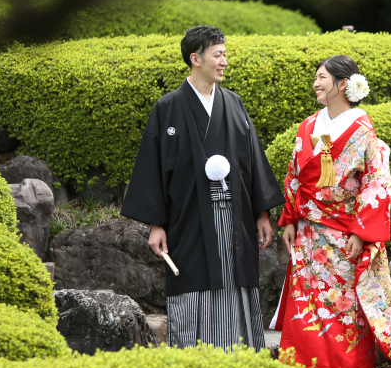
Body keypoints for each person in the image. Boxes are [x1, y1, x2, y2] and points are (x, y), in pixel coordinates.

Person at [121, 25, 284, 351]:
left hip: (235, 217)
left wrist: (263, 212)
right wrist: (156, 224)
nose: (224, 61)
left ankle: (241, 360)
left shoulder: (234, 104)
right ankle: (197, 361)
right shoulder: (167, 108)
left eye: (225, 54)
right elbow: (152, 169)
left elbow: (252, 160)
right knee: (193, 279)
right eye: (217, 55)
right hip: (189, 219)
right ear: (196, 58)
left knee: (236, 279)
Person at [271, 55, 391, 368]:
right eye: (315, 77)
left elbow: (376, 183)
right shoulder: (308, 125)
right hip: (309, 234)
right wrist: (290, 218)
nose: (316, 83)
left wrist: (363, 231)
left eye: (322, 77)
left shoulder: (363, 131)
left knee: (344, 308)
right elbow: (294, 174)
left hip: (344, 233)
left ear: (344, 84)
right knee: (308, 308)